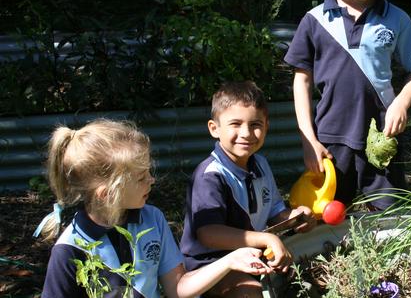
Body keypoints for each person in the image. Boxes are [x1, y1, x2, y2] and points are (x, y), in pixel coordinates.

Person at [36, 119, 273, 298]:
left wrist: (230, 260)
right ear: (108, 193)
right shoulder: (70, 250)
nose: (151, 180)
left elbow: (178, 288)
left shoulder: (152, 219)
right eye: (141, 177)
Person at [284, 0, 411, 210]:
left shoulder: (397, 18)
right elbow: (301, 81)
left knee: (392, 215)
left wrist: (401, 102)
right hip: (330, 136)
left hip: (381, 135)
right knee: (326, 214)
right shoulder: (315, 20)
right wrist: (308, 138)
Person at [180, 81, 315, 298]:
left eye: (255, 124)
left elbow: (274, 214)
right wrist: (266, 240)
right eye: (235, 124)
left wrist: (296, 217)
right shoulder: (211, 176)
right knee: (249, 293)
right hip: (211, 265)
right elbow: (208, 234)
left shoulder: (260, 163)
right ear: (214, 129)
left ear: (267, 126)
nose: (247, 133)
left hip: (252, 255)